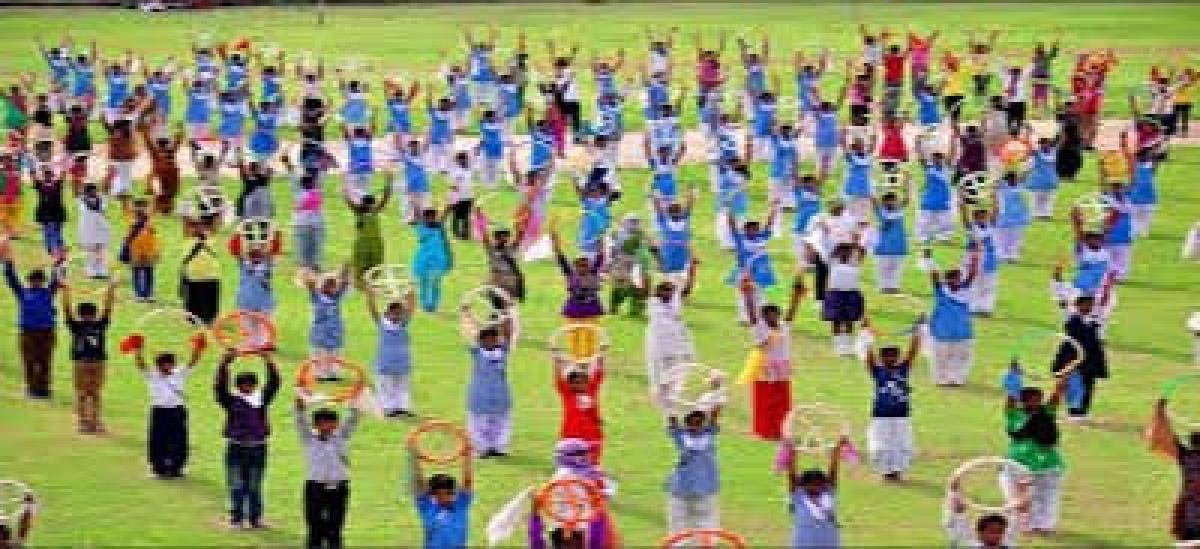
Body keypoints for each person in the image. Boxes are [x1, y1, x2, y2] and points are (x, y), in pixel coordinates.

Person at [214, 348, 281, 529]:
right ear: (238, 386)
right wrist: (225, 363)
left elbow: (275, 383)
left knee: (254, 486)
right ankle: (236, 519)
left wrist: (268, 361)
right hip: (236, 447)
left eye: (250, 385)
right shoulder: (231, 400)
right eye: (244, 385)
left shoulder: (262, 399)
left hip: (258, 448)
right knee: (236, 485)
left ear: (255, 385)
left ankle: (255, 519)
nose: (247, 388)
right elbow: (219, 387)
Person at [1003, 375, 1070, 535]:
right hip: (1018, 464)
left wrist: (1064, 378)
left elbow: (1056, 395)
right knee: (1021, 496)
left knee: (1048, 496)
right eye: (1030, 400)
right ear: (1022, 401)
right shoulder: (1014, 414)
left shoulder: (1046, 412)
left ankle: (1046, 526)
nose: (1035, 403)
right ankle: (1026, 525)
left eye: (1038, 400)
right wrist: (1014, 377)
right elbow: (1010, 398)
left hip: (1048, 465)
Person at [134, 331, 206, 478]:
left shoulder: (179, 373)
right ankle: (158, 468)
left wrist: (198, 347)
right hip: (159, 411)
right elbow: (141, 365)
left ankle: (177, 468)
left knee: (179, 439)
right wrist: (138, 349)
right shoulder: (152, 375)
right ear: (158, 365)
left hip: (177, 411)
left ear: (173, 364)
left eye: (169, 364)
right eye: (163, 365)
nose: (166, 367)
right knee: (157, 439)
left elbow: (193, 361)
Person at [741, 275, 804, 441]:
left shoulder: (784, 326)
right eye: (768, 314)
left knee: (783, 400)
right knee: (765, 400)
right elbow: (751, 313)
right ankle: (765, 430)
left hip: (782, 368)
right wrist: (748, 295)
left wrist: (796, 295)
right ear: (763, 316)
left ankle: (782, 430)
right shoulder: (759, 327)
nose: (772, 317)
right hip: (765, 369)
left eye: (774, 314)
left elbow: (792, 311)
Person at [295, 397, 360, 549]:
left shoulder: (341, 437)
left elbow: (352, 420)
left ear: (336, 424)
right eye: (322, 423)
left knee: (335, 527)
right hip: (315, 488)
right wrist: (300, 409)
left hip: (339, 488)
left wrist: (356, 402)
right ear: (315, 425)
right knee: (314, 527)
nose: (326, 426)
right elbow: (300, 423)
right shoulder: (308, 438)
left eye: (330, 422)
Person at [2, 245, 61, 399]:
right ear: (29, 281)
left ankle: (44, 389)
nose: (36, 283)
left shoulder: (48, 292)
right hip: (28, 333)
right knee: (29, 361)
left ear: (42, 282)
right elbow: (11, 278)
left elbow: (57, 278)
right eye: (33, 281)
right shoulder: (23, 293)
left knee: (45, 361)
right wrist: (7, 260)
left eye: (39, 281)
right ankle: (31, 389)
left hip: (47, 333)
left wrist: (58, 262)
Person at [862, 329, 920, 481]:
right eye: (886, 356)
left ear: (898, 357)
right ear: (881, 358)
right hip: (880, 415)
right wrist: (867, 338)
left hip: (901, 415)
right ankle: (885, 471)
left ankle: (897, 471)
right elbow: (869, 360)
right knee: (881, 444)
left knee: (901, 443)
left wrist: (917, 334)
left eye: (893, 355)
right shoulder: (877, 372)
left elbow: (912, 353)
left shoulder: (903, 369)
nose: (890, 358)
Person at [62, 280, 117, 434]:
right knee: (82, 393)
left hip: (98, 362)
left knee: (95, 393)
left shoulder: (100, 324)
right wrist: (66, 292)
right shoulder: (75, 326)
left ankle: (96, 421)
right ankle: (83, 422)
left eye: (91, 315)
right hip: (81, 362)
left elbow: (108, 308)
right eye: (86, 315)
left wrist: (111, 289)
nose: (89, 318)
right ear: (81, 315)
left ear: (94, 315)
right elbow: (67, 310)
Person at [646, 260, 698, 408]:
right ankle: (661, 396)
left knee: (679, 367)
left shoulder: (675, 298)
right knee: (657, 369)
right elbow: (649, 284)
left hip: (676, 338)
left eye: (670, 290)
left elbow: (687, 289)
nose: (667, 292)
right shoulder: (653, 302)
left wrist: (692, 269)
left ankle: (673, 394)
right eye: (664, 290)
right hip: (658, 341)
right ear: (657, 291)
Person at [462, 310, 514, 458]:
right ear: (481, 341)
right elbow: (469, 332)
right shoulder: (477, 353)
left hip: (501, 394)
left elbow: (508, 333)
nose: (491, 341)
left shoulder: (503, 352)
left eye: (494, 338)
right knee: (478, 423)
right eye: (487, 339)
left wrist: (507, 316)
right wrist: (467, 315)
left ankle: (499, 447)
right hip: (480, 395)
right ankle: (480, 448)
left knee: (501, 421)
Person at [924, 249, 978, 387]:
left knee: (961, 357)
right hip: (942, 331)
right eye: (952, 279)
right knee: (940, 357)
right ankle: (940, 379)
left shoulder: (965, 291)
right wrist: (929, 260)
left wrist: (975, 256)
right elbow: (934, 275)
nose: (955, 281)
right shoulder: (941, 290)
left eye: (957, 278)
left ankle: (957, 379)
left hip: (962, 332)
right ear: (947, 280)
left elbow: (973, 274)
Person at [665, 406, 722, 535]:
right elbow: (671, 414)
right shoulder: (681, 436)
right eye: (692, 422)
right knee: (678, 520)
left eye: (699, 422)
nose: (696, 425)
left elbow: (716, 411)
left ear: (704, 422)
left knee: (706, 520)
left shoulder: (709, 433)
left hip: (706, 486)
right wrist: (669, 400)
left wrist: (717, 390)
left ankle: (706, 543)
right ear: (686, 423)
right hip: (682, 487)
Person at [409, 437, 474, 548]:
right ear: (432, 494)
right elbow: (419, 482)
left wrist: (467, 456)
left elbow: (467, 481)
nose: (447, 497)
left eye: (450, 493)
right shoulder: (427, 507)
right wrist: (415, 458)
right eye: (442, 494)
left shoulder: (461, 504)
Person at [1150, 398, 1200, 543]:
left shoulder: (1188, 457)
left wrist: (1159, 414)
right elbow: (1162, 439)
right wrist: (1159, 414)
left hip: (1189, 522)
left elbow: (1161, 439)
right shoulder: (1188, 456)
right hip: (1190, 524)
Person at [788, 435, 850, 548]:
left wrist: (838, 448)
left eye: (819, 483)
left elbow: (834, 469)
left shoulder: (828, 493)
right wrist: (793, 453)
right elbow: (792, 474)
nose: (816, 487)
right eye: (812, 484)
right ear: (803, 484)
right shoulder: (798, 496)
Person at [1053, 295, 1108, 421]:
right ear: (1078, 305)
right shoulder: (1070, 317)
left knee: (1088, 383)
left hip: (1091, 357)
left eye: (1091, 304)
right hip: (1072, 356)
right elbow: (1061, 297)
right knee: (1074, 382)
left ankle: (1083, 411)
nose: (1089, 307)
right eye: (1086, 304)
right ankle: (1073, 410)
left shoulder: (1096, 320)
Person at [367, 286, 416, 418]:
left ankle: (403, 407)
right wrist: (370, 295)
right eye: (394, 312)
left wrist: (411, 293)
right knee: (386, 386)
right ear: (387, 313)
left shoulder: (403, 324)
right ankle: (388, 408)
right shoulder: (382, 324)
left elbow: (411, 307)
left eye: (400, 313)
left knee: (403, 386)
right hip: (385, 364)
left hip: (402, 363)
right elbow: (372, 310)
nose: (397, 315)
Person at [554, 353, 605, 463]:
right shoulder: (567, 394)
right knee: (570, 458)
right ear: (570, 384)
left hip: (591, 434)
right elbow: (559, 381)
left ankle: (590, 469)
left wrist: (601, 356)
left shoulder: (591, 390)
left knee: (591, 459)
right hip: (571, 433)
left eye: (583, 381)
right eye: (575, 382)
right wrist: (557, 364)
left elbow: (599, 374)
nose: (580, 384)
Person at [943, 480, 1022, 548]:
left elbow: (1017, 514)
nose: (997, 535)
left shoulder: (1008, 543)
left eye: (1000, 531)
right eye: (993, 531)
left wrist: (1022, 489)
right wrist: (954, 491)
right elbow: (958, 514)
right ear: (980, 534)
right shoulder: (969, 542)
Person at [412, 207, 454, 313]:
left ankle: (433, 305)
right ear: (424, 218)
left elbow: (446, 243)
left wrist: (449, 257)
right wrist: (414, 203)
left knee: (436, 281)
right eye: (428, 217)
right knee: (423, 281)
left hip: (438, 259)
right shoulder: (421, 228)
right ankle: (424, 304)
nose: (430, 219)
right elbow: (416, 215)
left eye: (433, 217)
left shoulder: (440, 228)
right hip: (424, 258)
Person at [306, 265, 351, 363]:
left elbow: (344, 284)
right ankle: (319, 373)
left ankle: (333, 373)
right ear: (322, 285)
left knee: (334, 352)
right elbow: (310, 285)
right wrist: (309, 272)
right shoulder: (317, 297)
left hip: (335, 331)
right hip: (320, 331)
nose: (331, 288)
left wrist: (345, 272)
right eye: (328, 284)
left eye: (333, 285)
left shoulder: (336, 298)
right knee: (319, 352)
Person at [179, 223, 221, 325]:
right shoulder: (210, 243)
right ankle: (207, 318)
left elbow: (184, 260)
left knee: (195, 300)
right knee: (207, 301)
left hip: (197, 277)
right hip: (209, 277)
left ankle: (196, 318)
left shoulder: (189, 243)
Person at [120, 198, 160, 303]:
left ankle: (149, 294)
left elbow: (154, 206)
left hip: (149, 250)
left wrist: (156, 250)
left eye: (143, 206)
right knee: (136, 272)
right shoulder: (131, 218)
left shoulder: (150, 219)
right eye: (138, 206)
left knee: (149, 272)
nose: (140, 209)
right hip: (135, 250)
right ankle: (138, 294)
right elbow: (125, 205)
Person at [75, 182, 110, 279]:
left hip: (100, 227)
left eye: (94, 191)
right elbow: (90, 208)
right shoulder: (81, 201)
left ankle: (102, 269)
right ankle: (91, 270)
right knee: (91, 250)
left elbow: (100, 209)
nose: (93, 193)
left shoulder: (102, 199)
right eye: (90, 191)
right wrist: (84, 198)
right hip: (88, 228)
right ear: (86, 192)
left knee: (101, 249)